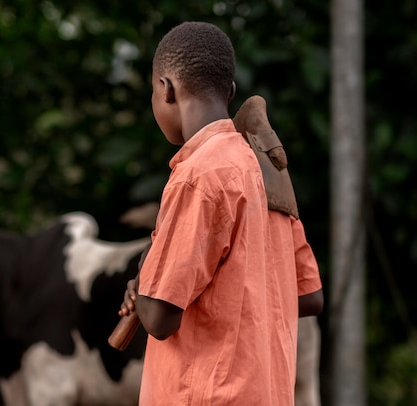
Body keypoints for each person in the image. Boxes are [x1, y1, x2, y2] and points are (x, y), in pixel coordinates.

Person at [117, 21, 323, 405]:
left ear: (165, 89)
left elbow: (160, 318)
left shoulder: (198, 176)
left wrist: (145, 287)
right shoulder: (267, 175)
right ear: (229, 91)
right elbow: (310, 297)